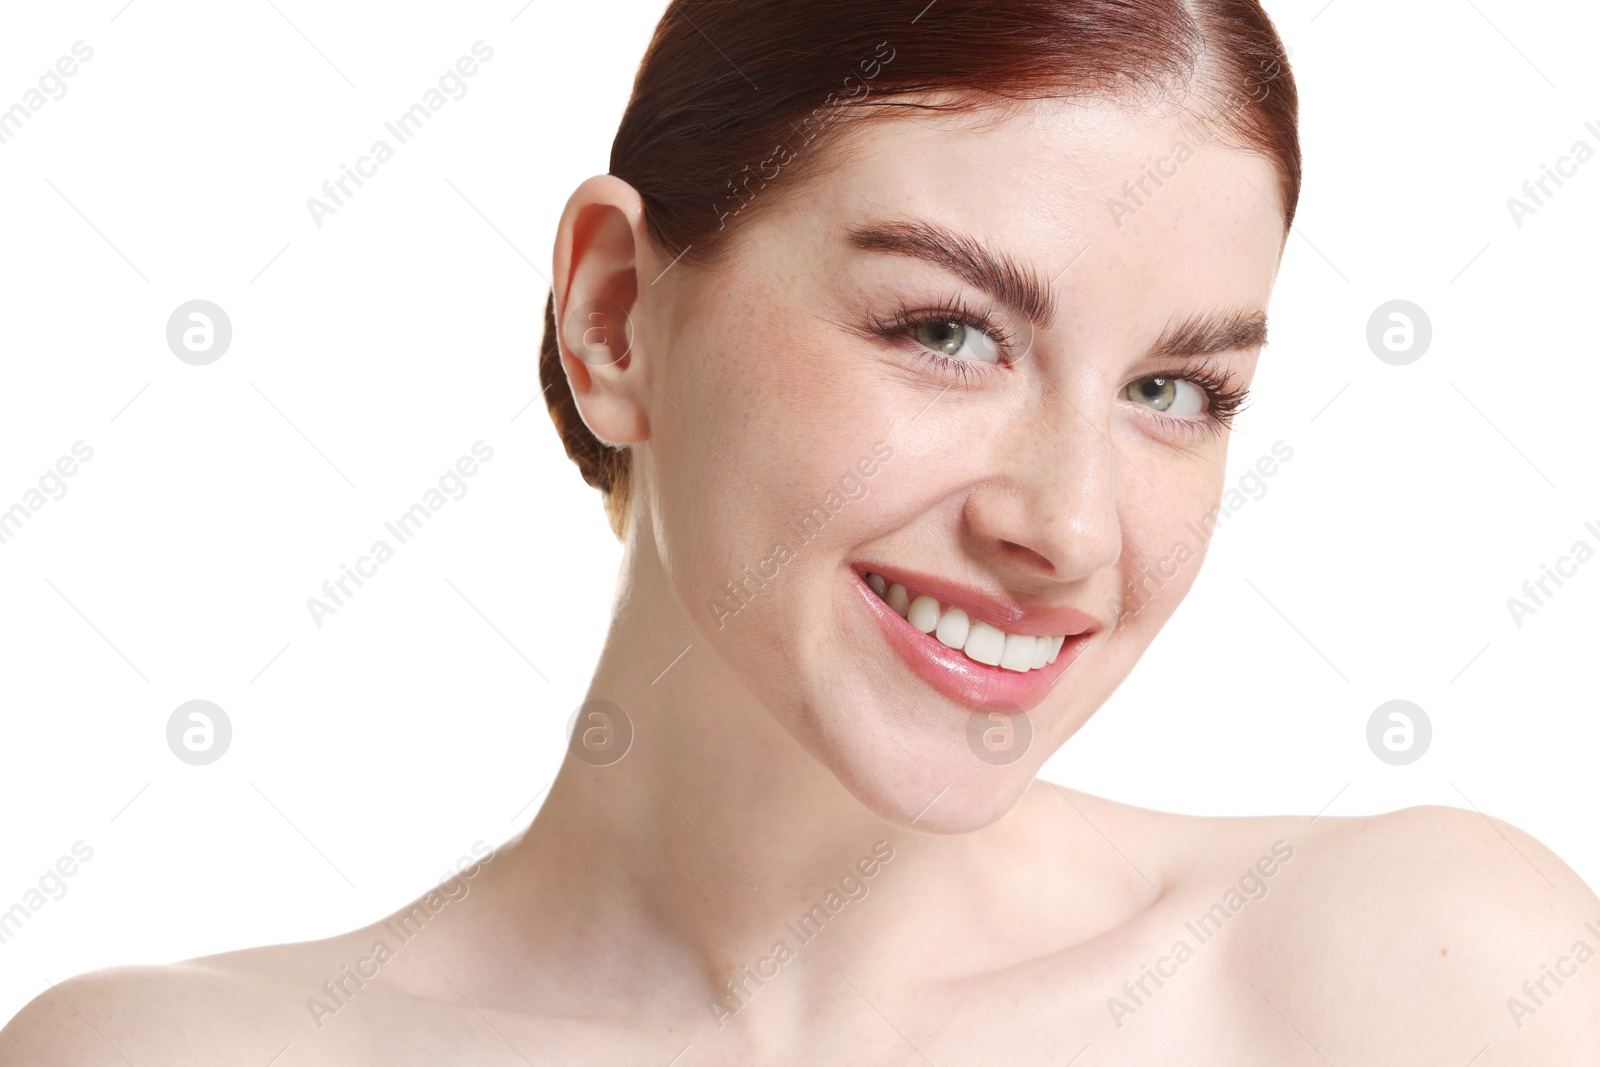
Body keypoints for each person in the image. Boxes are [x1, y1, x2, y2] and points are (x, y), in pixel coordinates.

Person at [6, 1, 1596, 1062]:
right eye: (947, 332)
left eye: (1175, 387)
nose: (1068, 525)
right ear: (616, 317)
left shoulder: (1418, 983)